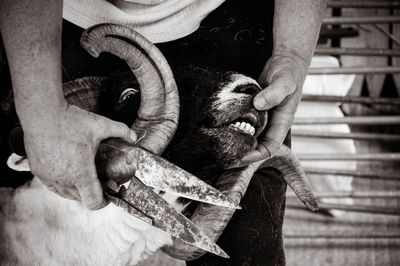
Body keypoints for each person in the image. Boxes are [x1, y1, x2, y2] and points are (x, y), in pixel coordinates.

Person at [0, 0, 327, 210]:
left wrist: (292, 53)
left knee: (249, 250)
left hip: (225, 20)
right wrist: (41, 113)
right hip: (50, 29)